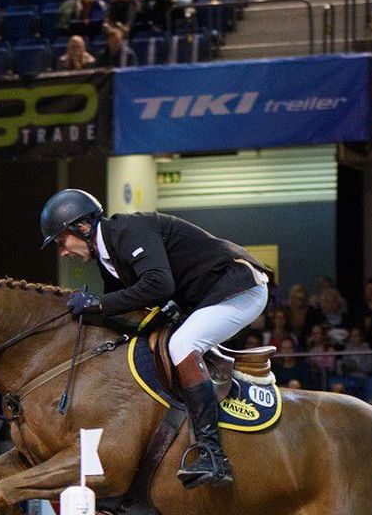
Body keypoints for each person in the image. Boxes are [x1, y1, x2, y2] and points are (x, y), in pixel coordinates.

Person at [42, 189, 269, 486]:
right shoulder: (107, 256)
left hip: (238, 289)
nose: (63, 251)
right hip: (205, 297)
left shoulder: (128, 231)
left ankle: (212, 454)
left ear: (81, 227)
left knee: (182, 345)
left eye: (61, 241)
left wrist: (98, 304)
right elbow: (125, 305)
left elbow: (159, 285)